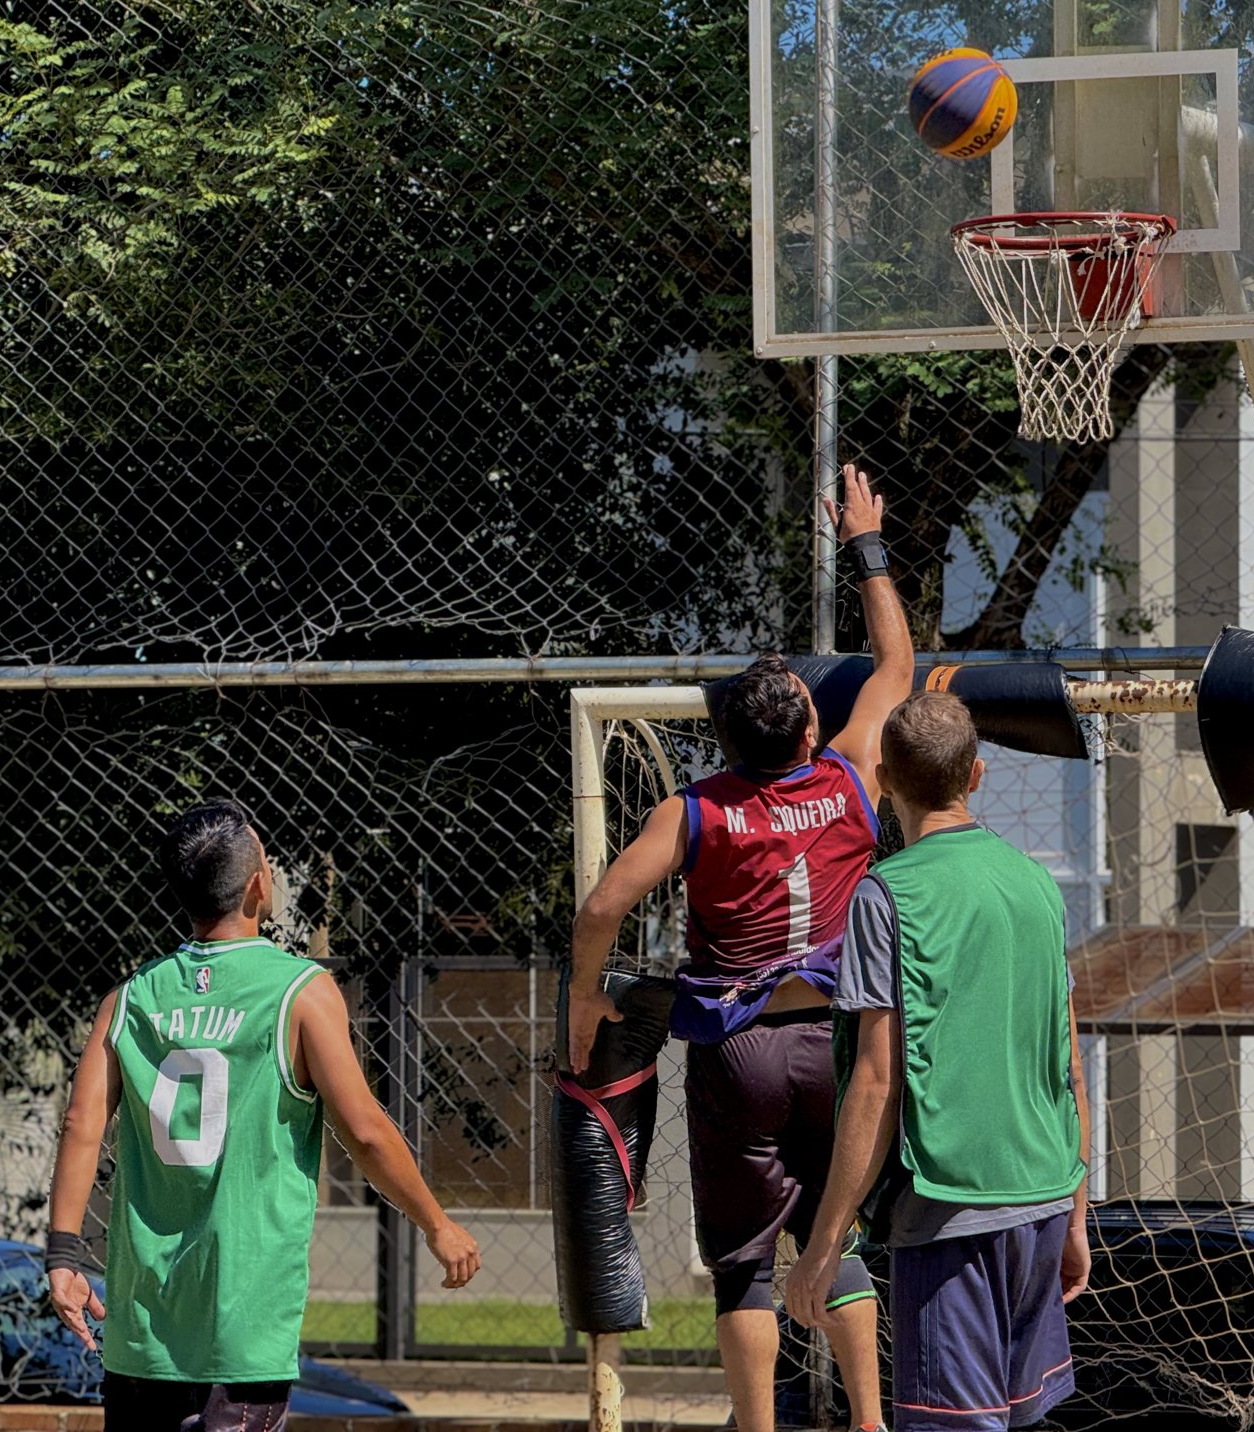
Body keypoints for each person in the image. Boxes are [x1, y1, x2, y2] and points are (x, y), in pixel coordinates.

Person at [567, 463, 910, 1432]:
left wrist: (589, 995)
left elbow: (600, 907)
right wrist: (865, 544)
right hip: (838, 1045)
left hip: (739, 1050)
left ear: (721, 742)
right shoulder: (850, 781)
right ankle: (872, 1422)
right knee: (834, 1238)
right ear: (810, 723)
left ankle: (756, 1427)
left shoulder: (697, 811)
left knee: (746, 1265)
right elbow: (894, 665)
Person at [46, 800, 481, 1431]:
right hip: (241, 1329)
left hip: (141, 1330)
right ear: (258, 883)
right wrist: (436, 1223)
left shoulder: (131, 997)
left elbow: (80, 1125)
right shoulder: (299, 992)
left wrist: (63, 1254)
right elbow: (363, 1129)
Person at [778, 691, 1091, 1432]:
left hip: (953, 1209)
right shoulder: (1036, 885)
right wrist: (1076, 1210)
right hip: (1043, 1197)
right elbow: (1067, 1062)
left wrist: (825, 1245)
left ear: (882, 780)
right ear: (976, 775)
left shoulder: (887, 895)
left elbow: (876, 1082)